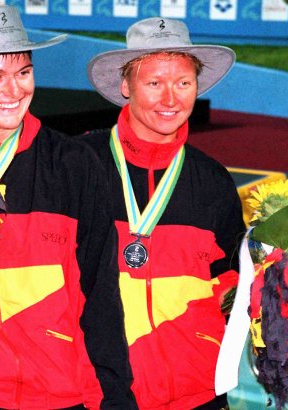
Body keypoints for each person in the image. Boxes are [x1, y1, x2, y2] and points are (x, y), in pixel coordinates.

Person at [0, 6, 136, 409]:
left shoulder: (73, 164)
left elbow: (101, 294)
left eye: (23, 73)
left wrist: (115, 396)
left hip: (53, 394)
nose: (14, 90)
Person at [83, 17, 245, 409]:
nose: (171, 99)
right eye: (154, 83)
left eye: (183, 84)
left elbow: (231, 286)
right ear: (126, 87)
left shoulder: (212, 179)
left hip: (197, 393)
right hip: (102, 395)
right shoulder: (79, 167)